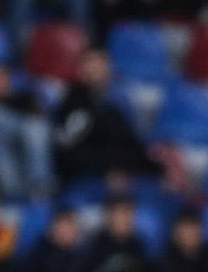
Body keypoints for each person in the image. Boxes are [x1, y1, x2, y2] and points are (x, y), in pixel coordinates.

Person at [51, 46, 163, 191]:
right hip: (85, 181)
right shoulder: (74, 106)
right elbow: (68, 152)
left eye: (100, 63)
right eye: (90, 64)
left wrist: (157, 170)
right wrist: (107, 171)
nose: (96, 69)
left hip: (119, 175)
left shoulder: (112, 108)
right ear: (80, 70)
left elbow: (130, 146)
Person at [0, 63, 54, 201]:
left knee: (36, 127)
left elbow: (38, 118)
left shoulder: (22, 100)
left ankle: (40, 186)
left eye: (0, 77)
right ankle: (10, 191)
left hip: (23, 161)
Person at [79, 193, 152, 272]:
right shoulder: (96, 245)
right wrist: (107, 271)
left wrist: (131, 267)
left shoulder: (139, 245)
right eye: (119, 214)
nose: (123, 219)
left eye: (127, 213)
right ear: (109, 216)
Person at [15, 203, 83, 272]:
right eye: (64, 226)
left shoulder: (80, 256)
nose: (69, 231)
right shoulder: (38, 256)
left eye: (71, 226)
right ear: (52, 228)